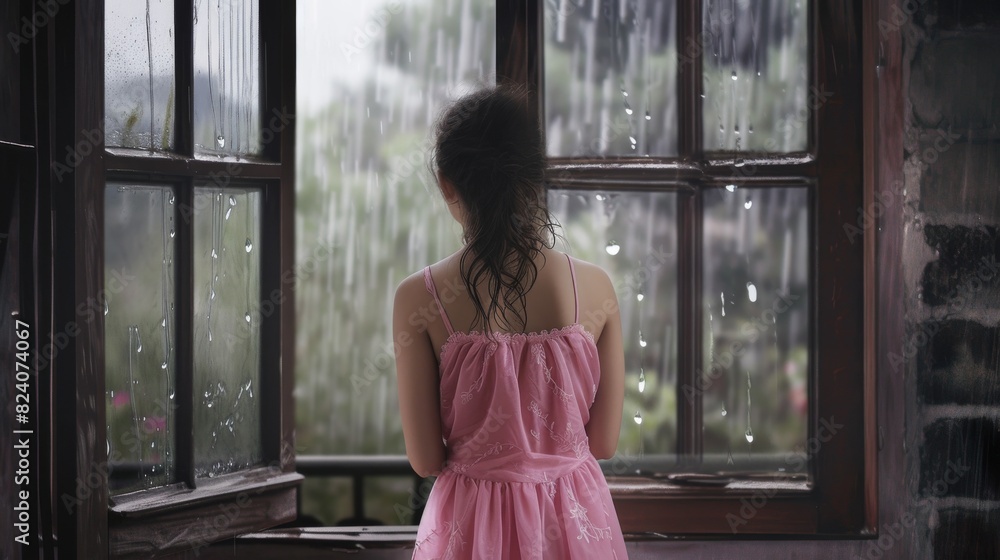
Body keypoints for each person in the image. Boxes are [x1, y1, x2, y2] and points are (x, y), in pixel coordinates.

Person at [393, 83, 628, 559]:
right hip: (574, 524)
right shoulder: (596, 287)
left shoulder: (419, 297)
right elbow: (603, 443)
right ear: (534, 177)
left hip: (471, 526)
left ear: (447, 184)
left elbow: (426, 459)